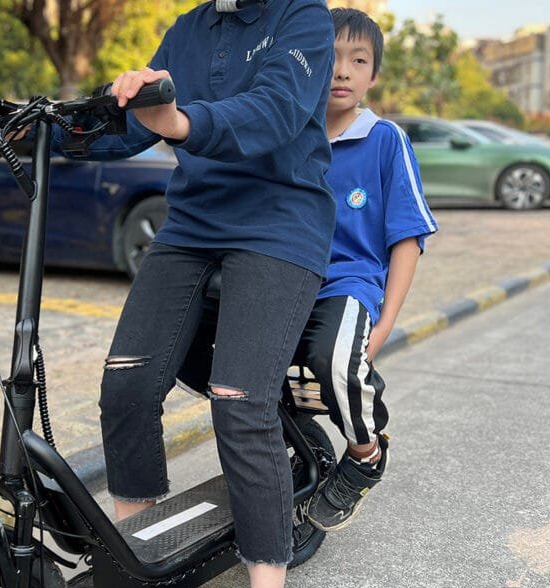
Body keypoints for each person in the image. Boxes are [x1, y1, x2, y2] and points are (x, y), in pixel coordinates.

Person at [0, 1, 336, 588]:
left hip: (280, 224)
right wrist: (26, 123)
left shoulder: (301, 15)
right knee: (126, 386)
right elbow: (130, 121)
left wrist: (180, 122)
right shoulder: (188, 29)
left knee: (238, 400)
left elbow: (277, 109)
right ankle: (128, 566)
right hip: (193, 226)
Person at [179, 6, 438, 534]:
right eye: (331, 56)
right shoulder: (283, 132)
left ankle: (365, 454)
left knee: (335, 359)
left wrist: (384, 326)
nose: (341, 70)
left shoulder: (385, 140)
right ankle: (279, 427)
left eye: (358, 60)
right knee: (185, 339)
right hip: (276, 273)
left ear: (372, 74)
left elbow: (406, 238)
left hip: (346, 284)